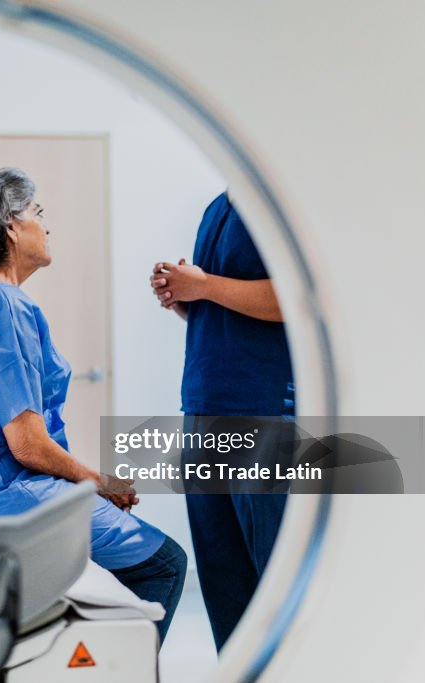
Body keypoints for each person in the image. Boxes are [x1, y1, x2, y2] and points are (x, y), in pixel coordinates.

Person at [0, 168, 186, 643]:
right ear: (10, 226)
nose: (45, 226)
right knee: (164, 564)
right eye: (37, 213)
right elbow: (28, 445)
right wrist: (101, 483)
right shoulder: (3, 305)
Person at [149, 190, 294, 651]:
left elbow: (294, 299)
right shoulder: (218, 205)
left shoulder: (281, 196)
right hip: (204, 406)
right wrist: (184, 298)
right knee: (224, 581)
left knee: (276, 584)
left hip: (264, 410)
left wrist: (205, 285)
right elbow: (227, 310)